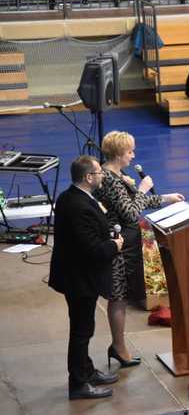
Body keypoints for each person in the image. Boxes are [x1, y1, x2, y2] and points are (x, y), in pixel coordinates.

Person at [95, 132, 184, 369]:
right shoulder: (110, 179)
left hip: (129, 241)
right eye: (130, 152)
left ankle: (118, 345)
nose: (133, 155)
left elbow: (136, 201)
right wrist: (144, 189)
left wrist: (167, 198)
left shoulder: (118, 174)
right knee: (118, 297)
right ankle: (118, 346)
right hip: (119, 245)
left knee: (122, 297)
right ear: (118, 154)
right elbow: (132, 212)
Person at [49, 155, 124, 400]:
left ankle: (87, 370)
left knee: (84, 328)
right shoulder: (79, 206)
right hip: (79, 279)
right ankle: (79, 384)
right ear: (88, 177)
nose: (102, 176)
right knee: (81, 332)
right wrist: (115, 245)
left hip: (77, 276)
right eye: (99, 172)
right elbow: (92, 249)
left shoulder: (72, 197)